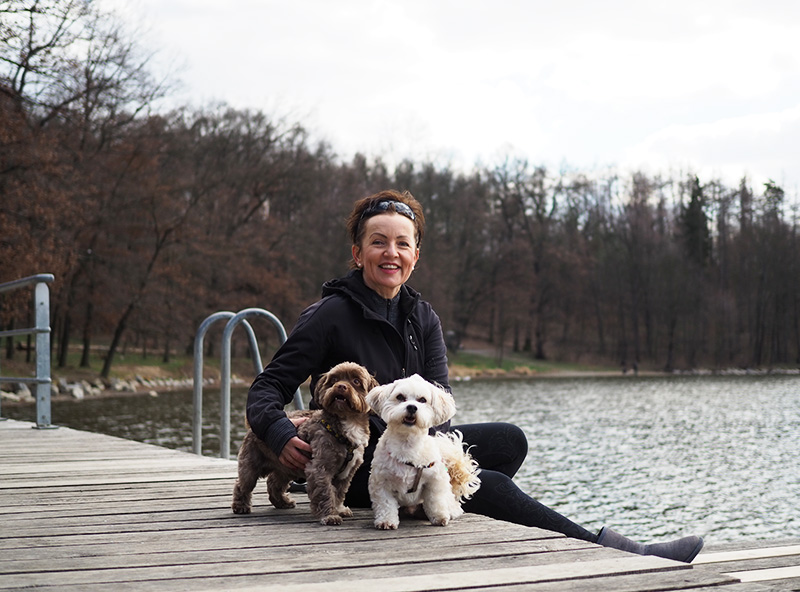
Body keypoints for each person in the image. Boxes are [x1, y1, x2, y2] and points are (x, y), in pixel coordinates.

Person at [246, 189, 703, 563]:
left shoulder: (423, 318)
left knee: (509, 441)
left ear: (415, 255)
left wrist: (433, 455)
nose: (391, 253)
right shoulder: (328, 315)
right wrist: (281, 434)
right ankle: (615, 550)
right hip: (353, 464)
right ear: (358, 252)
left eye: (402, 243)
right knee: (494, 484)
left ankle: (436, 505)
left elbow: (441, 403)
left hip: (414, 446)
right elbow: (266, 389)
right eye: (378, 241)